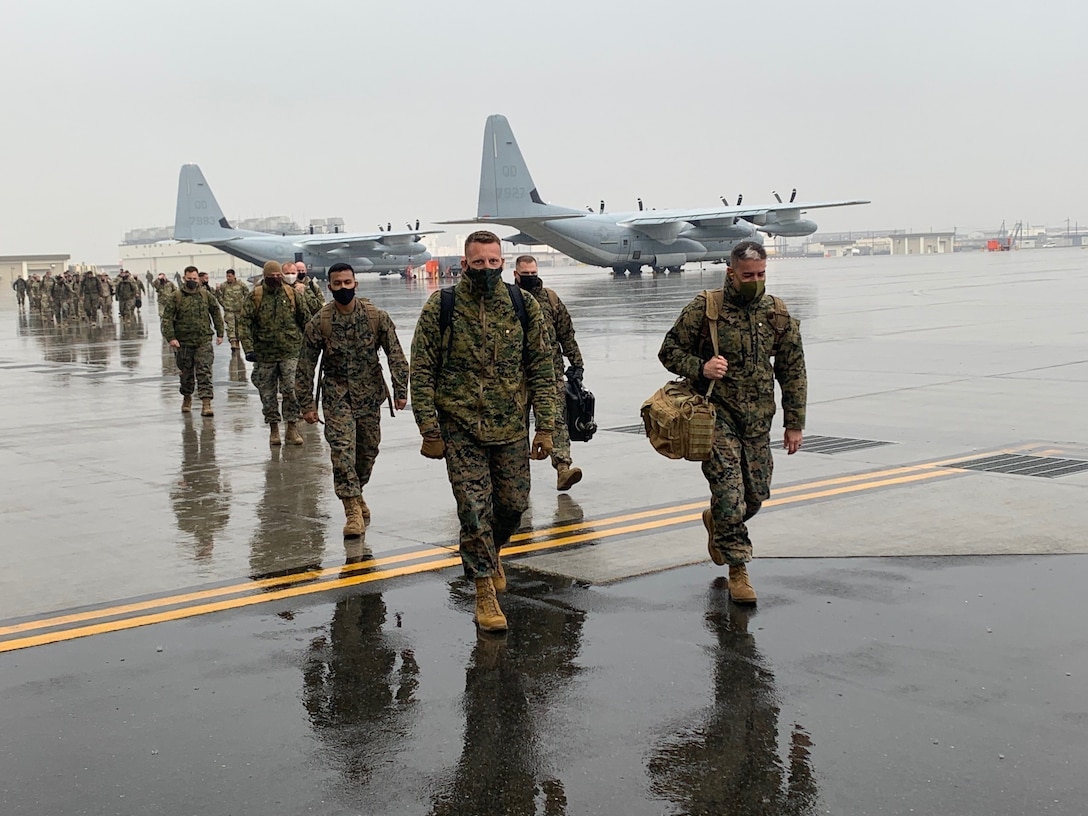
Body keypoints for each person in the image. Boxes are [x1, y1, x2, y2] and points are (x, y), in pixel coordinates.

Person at [410, 230, 556, 633]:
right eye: (479, 263)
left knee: (512, 506)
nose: (488, 270)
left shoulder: (521, 304)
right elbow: (421, 370)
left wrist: (546, 427)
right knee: (474, 511)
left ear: (503, 262)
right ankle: (483, 592)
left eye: (494, 262)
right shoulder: (443, 306)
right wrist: (429, 428)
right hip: (461, 429)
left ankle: (490, 554)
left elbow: (542, 368)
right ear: (465, 263)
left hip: (510, 426)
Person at [658, 240, 807, 604]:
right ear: (731, 273)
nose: (755, 281)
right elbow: (669, 351)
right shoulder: (706, 308)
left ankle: (718, 523)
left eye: (761, 274)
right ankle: (738, 568)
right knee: (729, 494)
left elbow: (793, 369)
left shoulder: (777, 314)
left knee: (754, 496)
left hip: (758, 421)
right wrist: (701, 367)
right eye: (748, 275)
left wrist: (794, 423)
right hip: (717, 417)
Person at [297, 263, 409, 536]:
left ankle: (357, 493)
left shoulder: (375, 317)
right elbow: (305, 366)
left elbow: (395, 354)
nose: (343, 288)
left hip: (370, 396)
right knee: (342, 453)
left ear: (355, 284)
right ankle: (352, 512)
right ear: (330, 286)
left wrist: (400, 390)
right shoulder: (320, 322)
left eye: (348, 282)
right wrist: (306, 404)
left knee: (367, 453)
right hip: (337, 397)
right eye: (338, 284)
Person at [513, 255, 586, 491]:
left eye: (534, 274)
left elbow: (567, 333)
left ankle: (563, 468)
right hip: (516, 375)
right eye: (526, 276)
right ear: (516, 275)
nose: (531, 279)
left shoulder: (551, 299)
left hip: (549, 373)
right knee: (516, 424)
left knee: (556, 420)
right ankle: (515, 478)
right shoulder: (507, 300)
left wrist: (577, 364)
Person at [239, 261, 309, 446]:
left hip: (290, 351)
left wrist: (310, 346)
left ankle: (292, 428)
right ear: (265, 276)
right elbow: (244, 323)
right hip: (265, 354)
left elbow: (305, 319)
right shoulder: (255, 296)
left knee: (291, 390)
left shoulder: (291, 293)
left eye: (279, 275)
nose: (276, 279)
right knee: (268, 394)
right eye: (272, 276)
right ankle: (274, 429)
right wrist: (249, 349)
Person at [161, 265, 225, 416]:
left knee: (205, 372)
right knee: (186, 374)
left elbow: (216, 312)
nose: (192, 281)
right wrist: (171, 338)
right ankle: (187, 397)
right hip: (183, 343)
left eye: (195, 279)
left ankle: (206, 403)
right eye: (189, 279)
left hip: (203, 341)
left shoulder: (206, 295)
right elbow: (167, 319)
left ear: (199, 279)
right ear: (184, 278)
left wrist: (220, 333)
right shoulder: (176, 296)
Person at [215, 268, 249, 354]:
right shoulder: (224, 286)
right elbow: (219, 296)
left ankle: (239, 341)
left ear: (234, 276)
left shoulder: (241, 285)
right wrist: (223, 304)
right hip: (229, 310)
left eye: (230, 276)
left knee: (239, 327)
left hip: (239, 310)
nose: (228, 278)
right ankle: (233, 342)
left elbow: (247, 295)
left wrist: (244, 305)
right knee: (230, 327)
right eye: (227, 276)